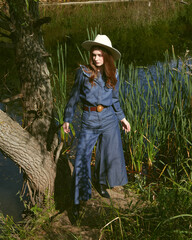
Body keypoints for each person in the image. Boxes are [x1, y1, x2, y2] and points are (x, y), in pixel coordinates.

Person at [62, 34, 131, 217]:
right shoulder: (83, 72)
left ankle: (101, 185)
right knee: (81, 158)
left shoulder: (113, 73)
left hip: (109, 119)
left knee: (106, 154)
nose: (96, 58)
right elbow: (73, 97)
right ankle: (77, 201)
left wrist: (122, 118)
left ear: (106, 56)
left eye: (100, 55)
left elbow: (115, 99)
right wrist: (67, 118)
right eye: (94, 55)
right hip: (89, 119)